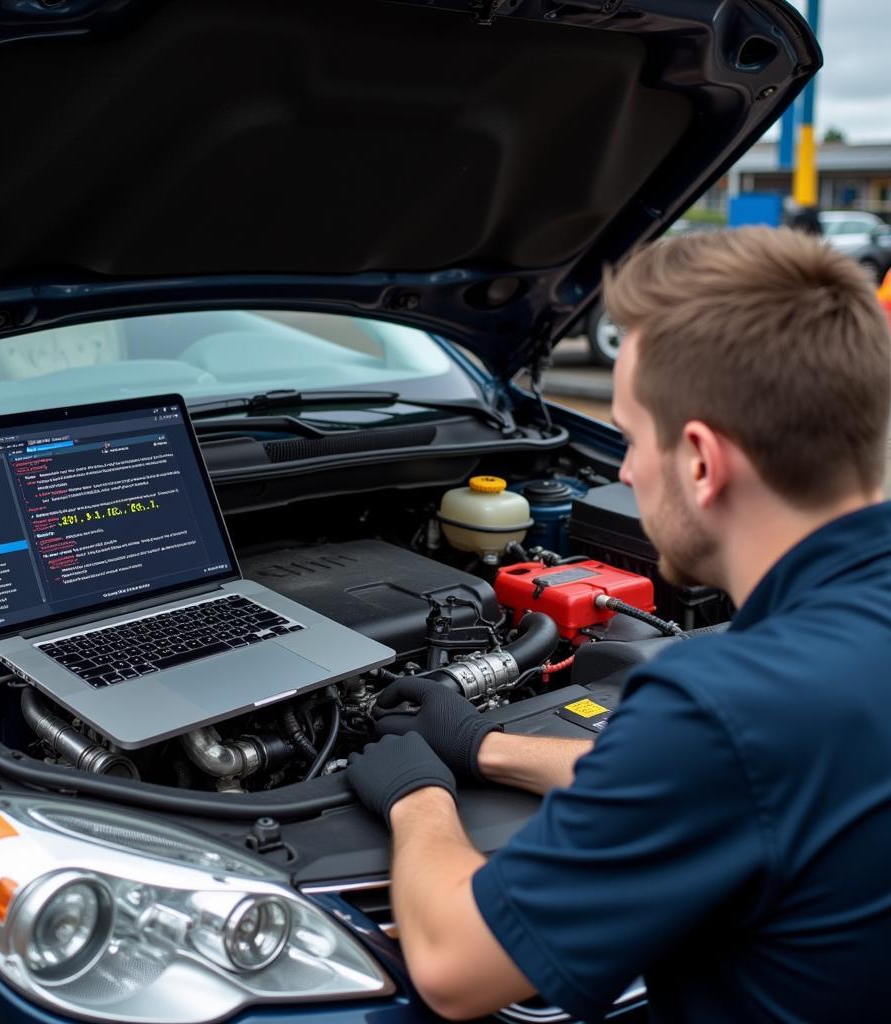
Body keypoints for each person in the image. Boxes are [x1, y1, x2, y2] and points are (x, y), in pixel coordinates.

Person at [346, 227, 891, 1022]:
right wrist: (481, 745)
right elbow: (726, 789)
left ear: (702, 462)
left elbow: (455, 965)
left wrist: (417, 796)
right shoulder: (803, 680)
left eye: (633, 438)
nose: (625, 471)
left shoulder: (724, 707)